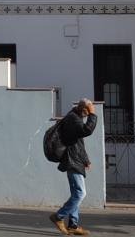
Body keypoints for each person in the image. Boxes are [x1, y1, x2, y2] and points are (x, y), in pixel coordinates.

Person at [49, 99, 98, 236]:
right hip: (72, 160)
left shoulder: (75, 118)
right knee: (80, 193)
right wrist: (93, 115)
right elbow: (87, 131)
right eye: (87, 112)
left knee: (76, 194)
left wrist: (86, 160)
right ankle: (58, 216)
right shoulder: (72, 118)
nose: (87, 115)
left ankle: (73, 225)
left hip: (76, 160)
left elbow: (78, 143)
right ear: (84, 109)